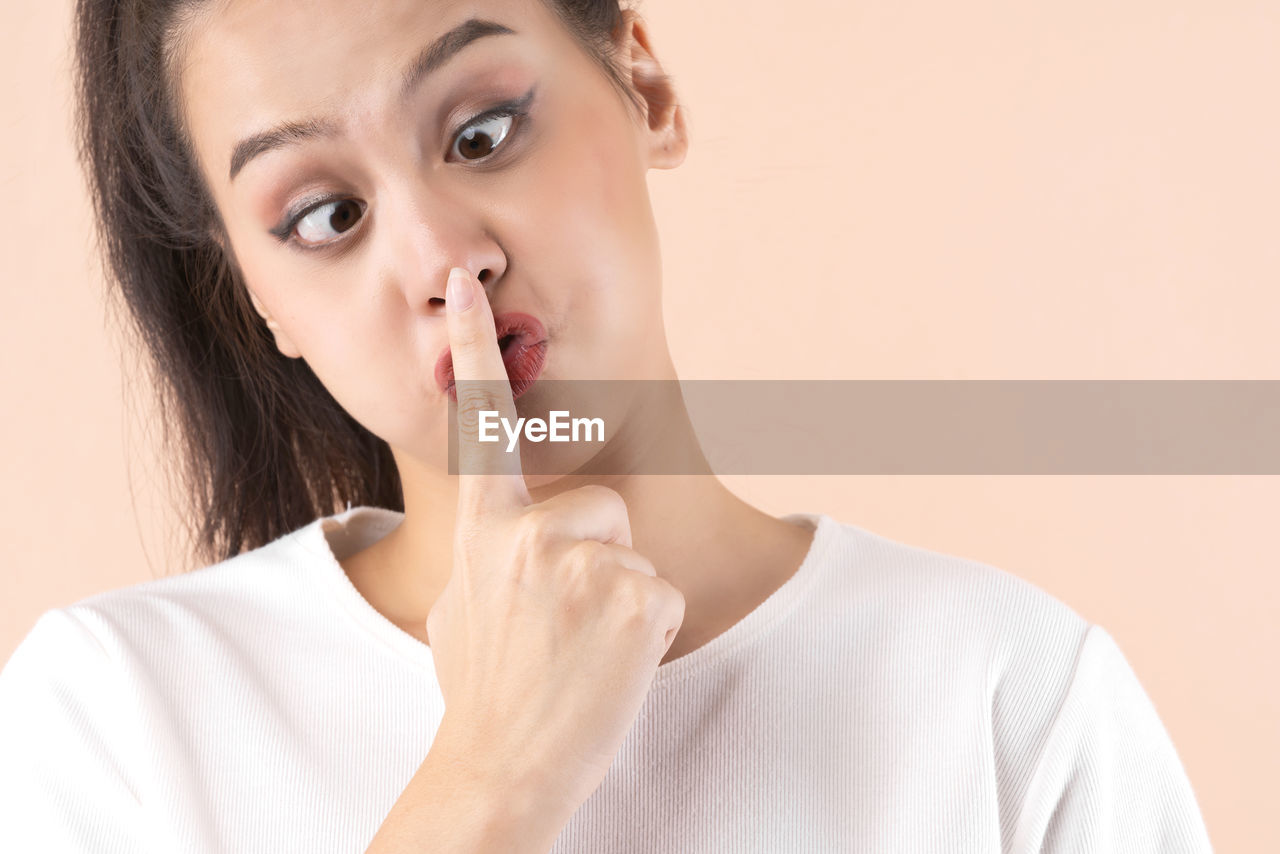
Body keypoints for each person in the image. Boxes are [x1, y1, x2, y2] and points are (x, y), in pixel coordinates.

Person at [0, 0, 1213, 851]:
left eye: (481, 134)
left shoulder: (1009, 689)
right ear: (257, 297)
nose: (443, 260)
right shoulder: (118, 715)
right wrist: (486, 781)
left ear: (644, 86)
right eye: (324, 215)